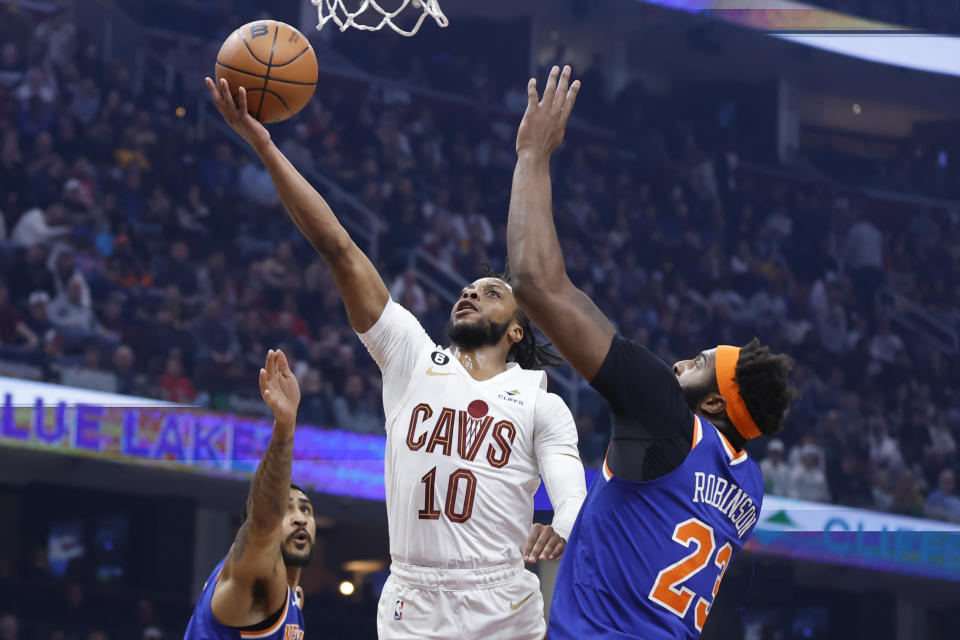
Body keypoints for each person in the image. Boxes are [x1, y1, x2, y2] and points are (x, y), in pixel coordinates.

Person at [206, 76, 587, 640]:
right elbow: (338, 246)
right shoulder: (413, 358)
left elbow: (572, 493)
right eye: (468, 287)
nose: (470, 293)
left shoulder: (540, 402)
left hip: (503, 604)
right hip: (411, 597)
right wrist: (264, 145)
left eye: (490, 292)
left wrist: (563, 523)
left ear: (516, 330)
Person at [506, 65, 796, 639]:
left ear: (713, 403)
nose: (683, 360)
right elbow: (643, 527)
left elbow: (537, 284)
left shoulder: (667, 418)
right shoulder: (749, 488)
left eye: (701, 361)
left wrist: (533, 155)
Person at [184, 349, 310, 639]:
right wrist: (285, 425)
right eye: (287, 509)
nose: (300, 518)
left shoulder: (291, 599)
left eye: (306, 509)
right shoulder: (251, 576)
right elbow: (264, 519)